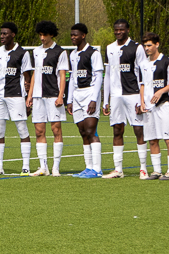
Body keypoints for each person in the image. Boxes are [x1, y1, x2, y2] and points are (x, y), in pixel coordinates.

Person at [102, 19, 149, 179]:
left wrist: (143, 99)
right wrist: (106, 100)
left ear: (128, 30)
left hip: (133, 94)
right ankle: (118, 169)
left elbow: (143, 73)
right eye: (116, 30)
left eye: (121, 29)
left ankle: (143, 168)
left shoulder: (137, 48)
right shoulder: (109, 48)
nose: (118, 32)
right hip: (116, 96)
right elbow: (108, 75)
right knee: (117, 130)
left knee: (138, 130)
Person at [26, 21, 68, 176]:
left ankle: (56, 167)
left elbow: (62, 75)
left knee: (56, 129)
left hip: (53, 96)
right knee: (39, 131)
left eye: (45, 35)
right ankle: (43, 167)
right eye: (40, 35)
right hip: (38, 97)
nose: (42, 38)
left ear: (51, 34)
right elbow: (35, 74)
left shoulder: (60, 52)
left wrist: (61, 96)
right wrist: (30, 95)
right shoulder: (36, 52)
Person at [0, 22, 33, 175]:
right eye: (1, 33)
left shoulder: (22, 53)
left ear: (13, 35)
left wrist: (28, 98)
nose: (2, 36)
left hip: (16, 94)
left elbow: (27, 77)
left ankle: (26, 166)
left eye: (5, 34)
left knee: (22, 129)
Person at [137, 33, 169, 180]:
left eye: (149, 45)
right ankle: (156, 171)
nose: (147, 48)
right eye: (145, 46)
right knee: (152, 139)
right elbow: (142, 85)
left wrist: (161, 91)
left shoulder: (167, 62)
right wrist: (142, 102)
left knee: (168, 138)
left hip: (164, 105)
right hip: (149, 107)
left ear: (157, 44)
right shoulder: (143, 64)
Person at [67, 23, 104, 178]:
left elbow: (99, 76)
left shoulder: (93, 53)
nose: (73, 37)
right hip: (77, 94)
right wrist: (69, 99)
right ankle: (88, 167)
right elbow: (72, 77)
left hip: (90, 93)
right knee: (83, 132)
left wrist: (94, 99)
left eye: (76, 35)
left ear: (83, 35)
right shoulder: (72, 54)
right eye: (71, 35)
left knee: (91, 130)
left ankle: (97, 169)